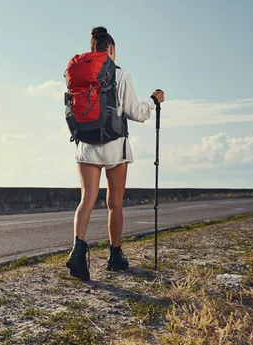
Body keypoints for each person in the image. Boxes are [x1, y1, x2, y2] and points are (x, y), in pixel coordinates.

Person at [65, 26, 165, 281]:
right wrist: (153, 101)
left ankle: (77, 252)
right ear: (111, 49)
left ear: (92, 49)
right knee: (115, 204)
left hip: (86, 145)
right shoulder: (121, 75)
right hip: (115, 146)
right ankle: (115, 256)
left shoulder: (77, 74)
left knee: (86, 200)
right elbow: (136, 112)